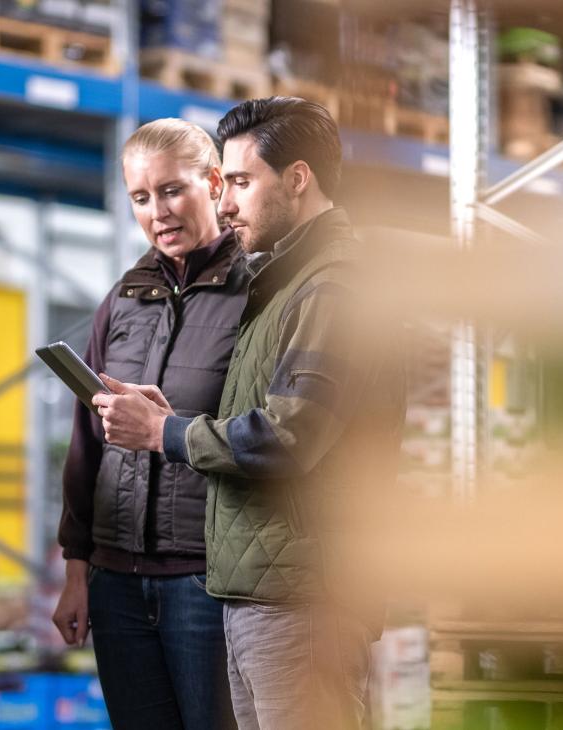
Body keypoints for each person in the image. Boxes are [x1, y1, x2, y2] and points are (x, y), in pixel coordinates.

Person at [92, 97, 407, 730]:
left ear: (297, 179)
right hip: (262, 590)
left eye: (239, 181)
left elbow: (288, 438)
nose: (226, 201)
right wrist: (171, 419)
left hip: (306, 596)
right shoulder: (287, 284)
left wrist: (164, 433)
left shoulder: (335, 287)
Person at [52, 118, 247, 730]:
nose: (158, 211)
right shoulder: (123, 298)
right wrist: (76, 572)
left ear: (213, 183)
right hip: (116, 583)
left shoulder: (256, 292)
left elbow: (258, 434)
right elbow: (88, 443)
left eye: (172, 191)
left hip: (205, 580)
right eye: (141, 197)